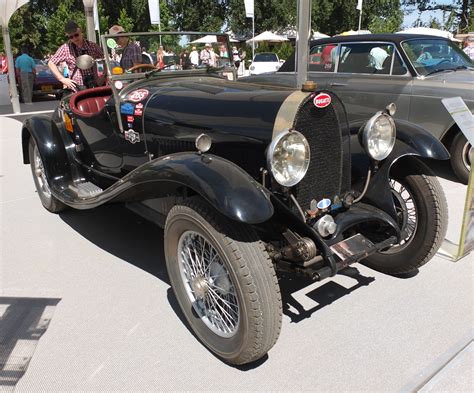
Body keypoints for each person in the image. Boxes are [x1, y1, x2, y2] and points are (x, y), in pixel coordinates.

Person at [48, 21, 103, 93]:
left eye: (76, 35)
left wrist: (102, 76)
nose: (74, 38)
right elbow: (51, 63)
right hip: (76, 89)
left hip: (94, 85)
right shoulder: (65, 48)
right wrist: (62, 79)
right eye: (71, 37)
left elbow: (103, 60)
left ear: (81, 32)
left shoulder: (92, 46)